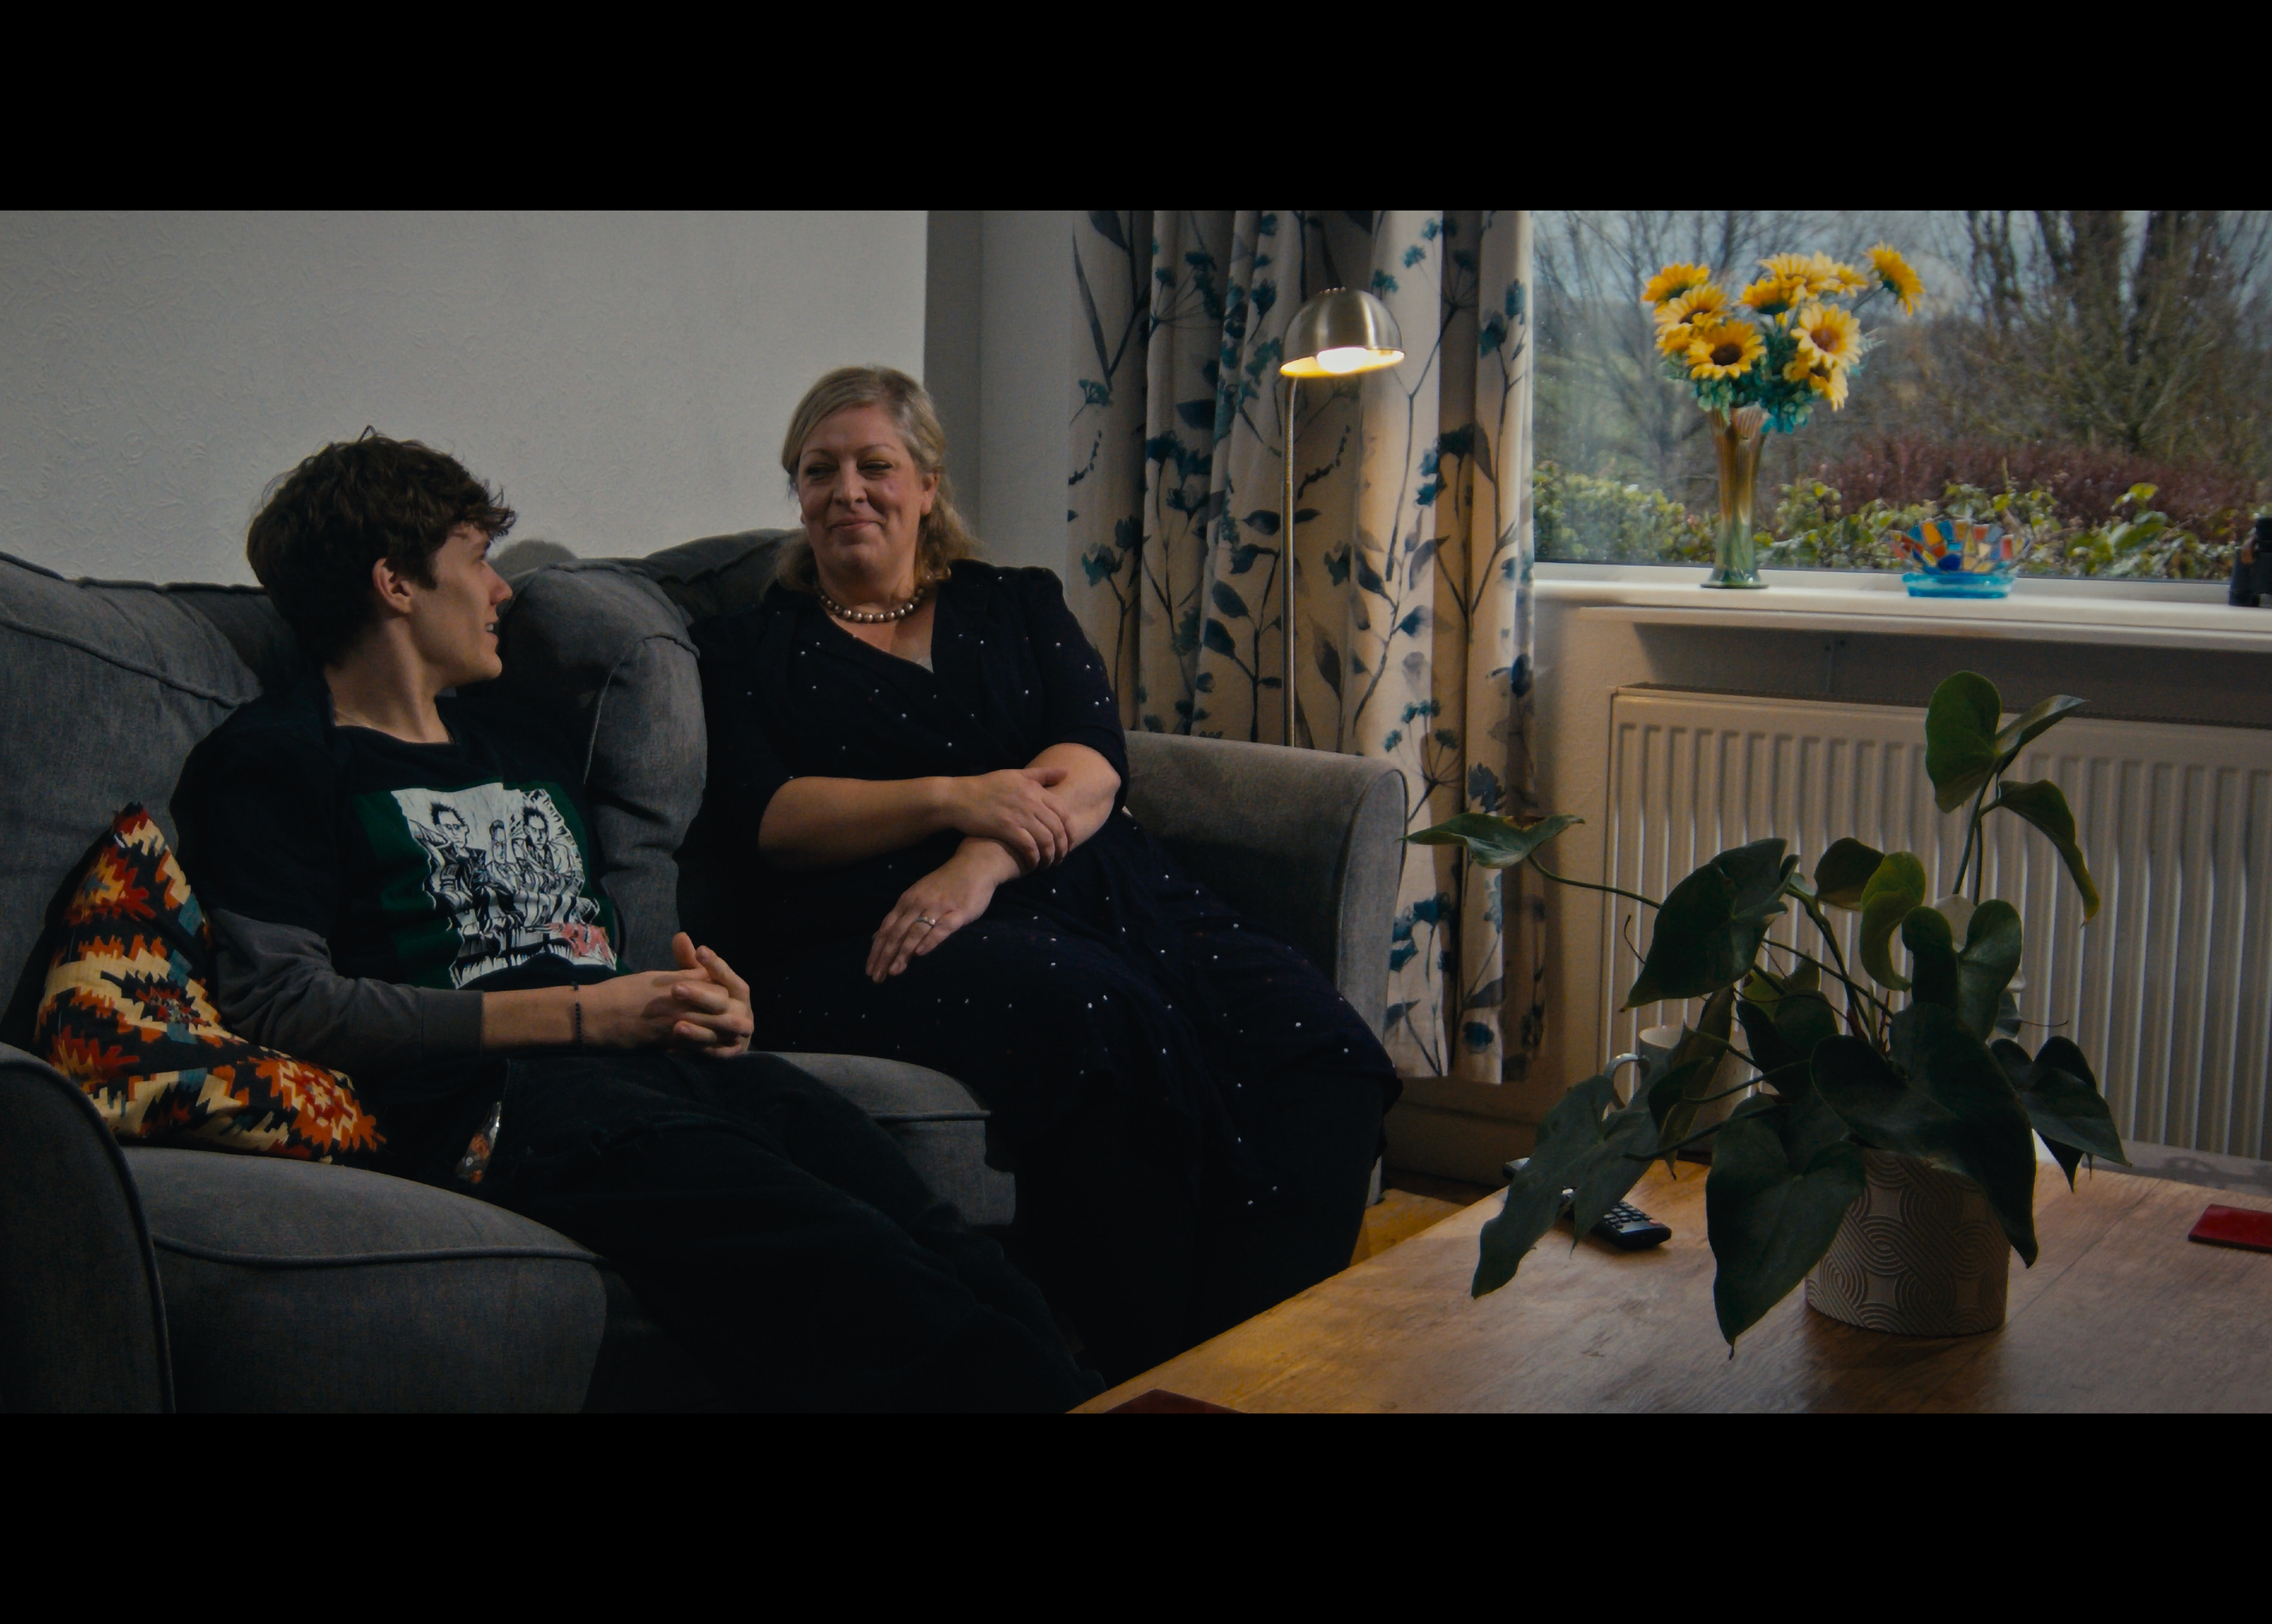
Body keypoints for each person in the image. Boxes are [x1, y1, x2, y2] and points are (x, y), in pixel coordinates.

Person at [170, 430, 1090, 1412]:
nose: (503, 591)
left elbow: (588, 951)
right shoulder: (277, 761)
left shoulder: (523, 744)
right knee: (862, 1270)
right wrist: (586, 1017)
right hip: (497, 1104)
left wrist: (700, 1006)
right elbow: (282, 1005)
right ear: (395, 584)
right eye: (476, 560)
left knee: (951, 1247)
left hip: (653, 1068)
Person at [689, 368, 1398, 1382]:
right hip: (872, 922)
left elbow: (1092, 760)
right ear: (796, 494)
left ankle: (1228, 1374)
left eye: (874, 466)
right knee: (1103, 1020)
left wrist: (982, 861)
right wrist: (956, 799)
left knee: (1325, 1048)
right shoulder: (749, 646)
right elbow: (771, 817)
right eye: (818, 471)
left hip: (1085, 884)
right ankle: (1151, 1369)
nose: (847, 491)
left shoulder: (1014, 602)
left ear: (927, 483)